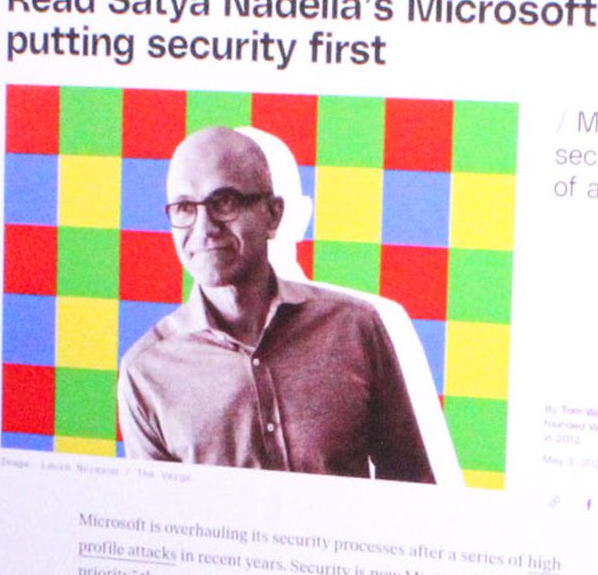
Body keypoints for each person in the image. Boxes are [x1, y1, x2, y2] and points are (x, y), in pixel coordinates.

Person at [118, 126, 434, 479]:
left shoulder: (356, 328)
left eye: (224, 203)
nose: (204, 227)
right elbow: (158, 523)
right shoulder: (145, 373)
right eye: (184, 207)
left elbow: (414, 492)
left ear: (273, 214)